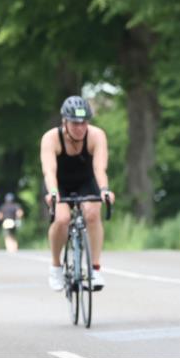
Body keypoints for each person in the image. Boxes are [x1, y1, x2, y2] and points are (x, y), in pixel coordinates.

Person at [40, 96, 115, 291]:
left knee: (92, 214)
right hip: (59, 183)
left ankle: (95, 269)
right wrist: (53, 193)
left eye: (84, 123)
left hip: (86, 181)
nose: (80, 128)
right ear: (64, 121)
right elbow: (49, 171)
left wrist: (105, 190)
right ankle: (56, 266)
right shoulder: (51, 138)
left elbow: (100, 168)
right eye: (75, 123)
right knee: (62, 219)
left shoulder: (96, 135)